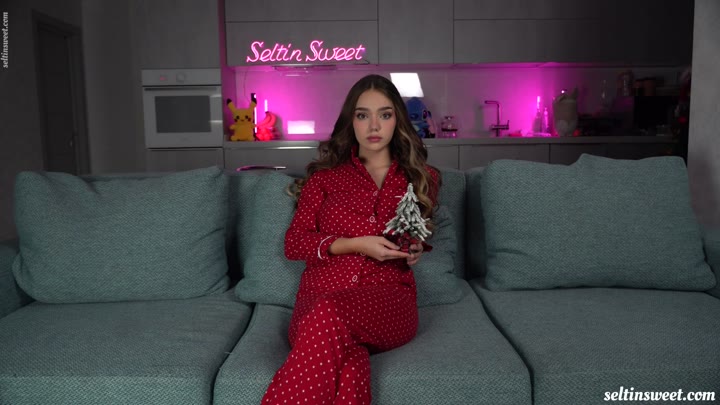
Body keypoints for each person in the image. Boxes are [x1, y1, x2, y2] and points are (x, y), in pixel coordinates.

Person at [261, 74, 441, 405]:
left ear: (397, 120)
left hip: (388, 302)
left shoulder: (420, 178)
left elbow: (416, 233)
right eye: (362, 115)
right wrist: (355, 244)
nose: (374, 125)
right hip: (318, 300)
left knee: (330, 314)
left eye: (385, 114)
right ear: (351, 121)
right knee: (351, 365)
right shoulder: (324, 179)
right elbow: (294, 244)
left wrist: (414, 248)